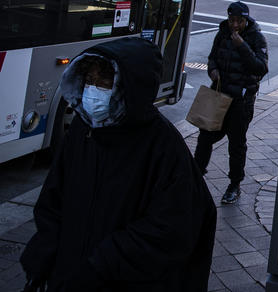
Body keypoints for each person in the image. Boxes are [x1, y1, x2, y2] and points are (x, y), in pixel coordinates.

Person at [20, 38, 216, 292]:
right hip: (68, 277)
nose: (93, 90)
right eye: (89, 80)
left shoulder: (162, 146)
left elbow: (172, 228)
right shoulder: (83, 129)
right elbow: (54, 197)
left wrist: (103, 263)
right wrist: (44, 251)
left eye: (104, 81)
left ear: (130, 86)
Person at [194, 1, 268, 204]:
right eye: (231, 20)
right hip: (219, 95)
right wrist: (212, 70)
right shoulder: (222, 32)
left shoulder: (256, 37)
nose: (234, 25)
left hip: (241, 101)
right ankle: (195, 174)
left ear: (246, 20)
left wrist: (242, 46)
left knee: (236, 144)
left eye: (239, 21)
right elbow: (212, 58)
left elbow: (260, 68)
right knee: (205, 137)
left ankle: (234, 184)